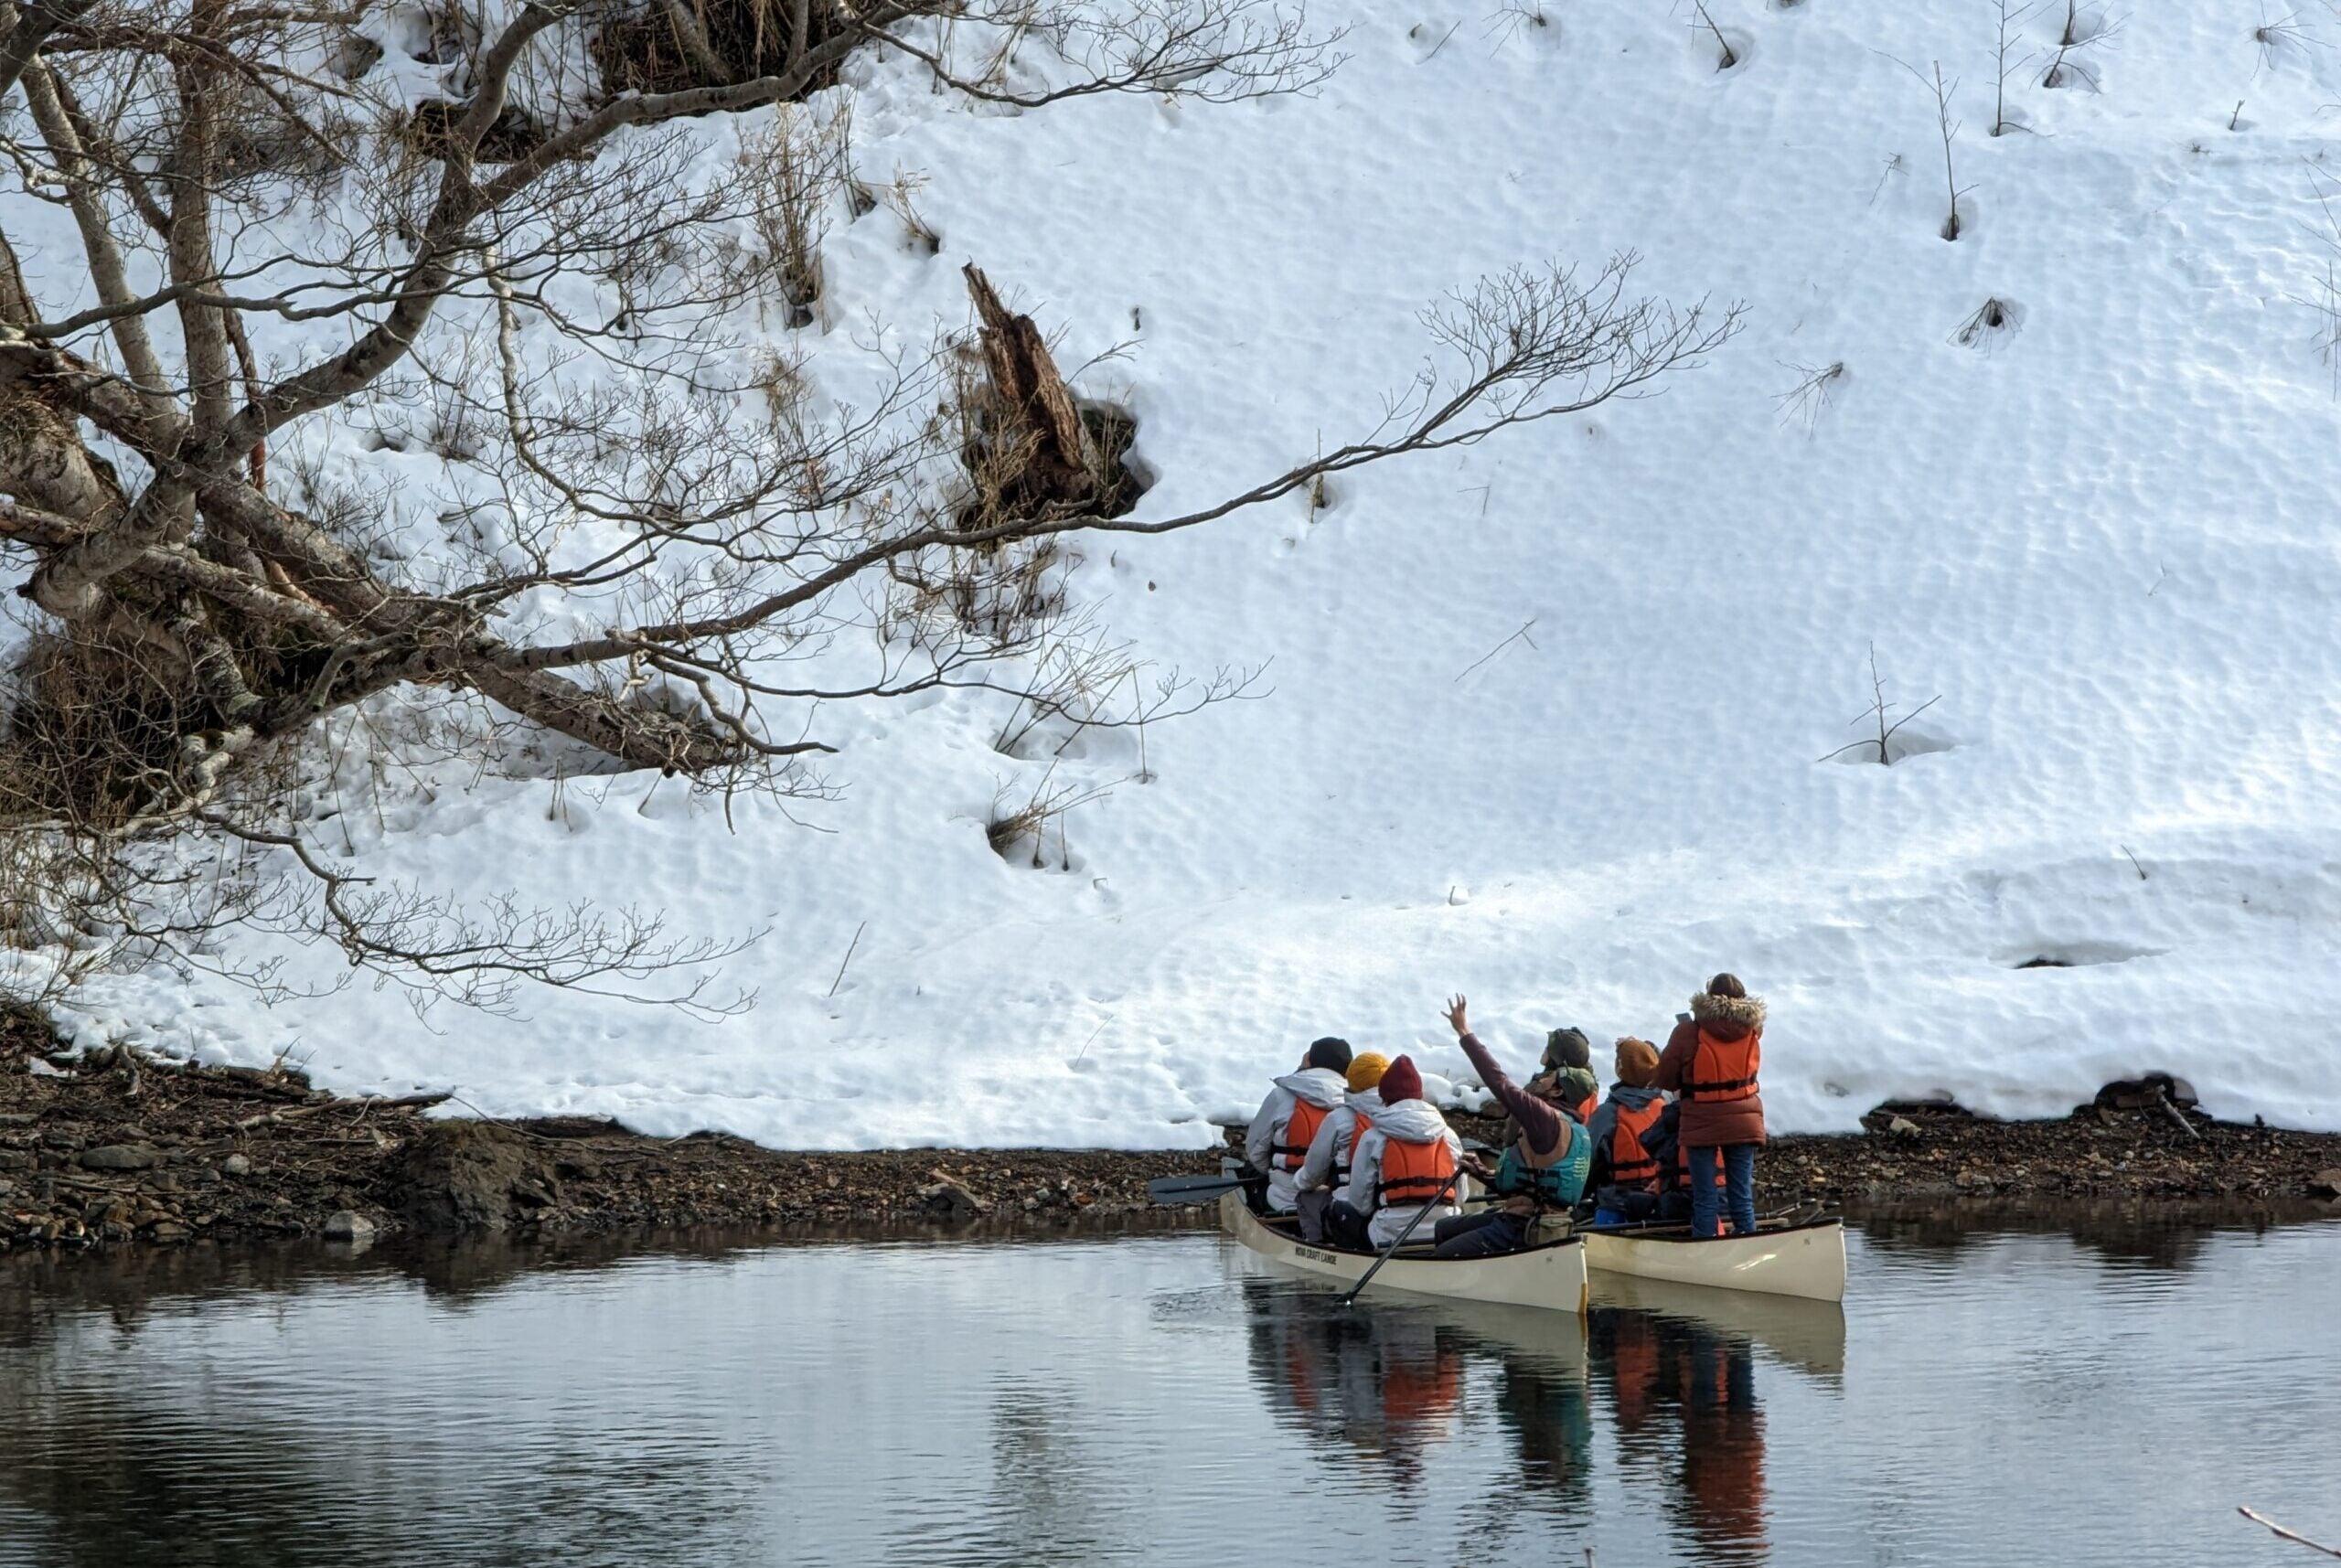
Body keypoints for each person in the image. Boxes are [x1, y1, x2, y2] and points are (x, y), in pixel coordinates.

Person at [1434, 996, 1593, 1258]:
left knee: (1442, 1255)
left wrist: (1464, 1032)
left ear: (1556, 1091)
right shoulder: (1577, 1129)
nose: (1541, 1078)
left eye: (1548, 1077)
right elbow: (1532, 1187)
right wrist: (1481, 1172)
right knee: (1443, 1229)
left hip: (1520, 1228)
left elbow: (1499, 1082)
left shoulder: (1545, 1117)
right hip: (1535, 1220)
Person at [1654, 974, 1766, 1238]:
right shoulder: (1753, 1029)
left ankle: (1705, 1248)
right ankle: (1749, 1246)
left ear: (1708, 997)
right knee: (1741, 1196)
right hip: (1743, 1120)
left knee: (1705, 1197)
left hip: (1701, 1120)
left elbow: (1665, 1079)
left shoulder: (1687, 1032)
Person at [1328, 1055, 1465, 1251]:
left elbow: (1360, 1205)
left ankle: (1347, 1261)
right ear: (1420, 1095)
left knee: (1337, 1211)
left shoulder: (1373, 1137)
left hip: (1388, 1238)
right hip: (1444, 1235)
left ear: (1383, 1098)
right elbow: (1461, 1196)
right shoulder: (1448, 1135)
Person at [1245, 1037, 1352, 1216]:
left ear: (1309, 1060)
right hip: (1338, 1205)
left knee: (1250, 1169)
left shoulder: (1280, 1096)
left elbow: (1255, 1152)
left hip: (1283, 1201)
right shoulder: (1354, 1104)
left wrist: (1274, 1173)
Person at [1293, 1051, 1389, 1243]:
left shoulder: (1339, 1119)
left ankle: (1316, 1249)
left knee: (1305, 1197)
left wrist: (1297, 1183)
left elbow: (1311, 1175)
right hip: (1386, 1209)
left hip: (1350, 1210)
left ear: (1351, 1080)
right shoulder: (1395, 1118)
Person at [1585, 1037, 1668, 1226]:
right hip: (1657, 1201)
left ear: (1619, 1069)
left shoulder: (1607, 1113)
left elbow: (1589, 1164)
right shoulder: (1663, 1107)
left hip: (1616, 1204)